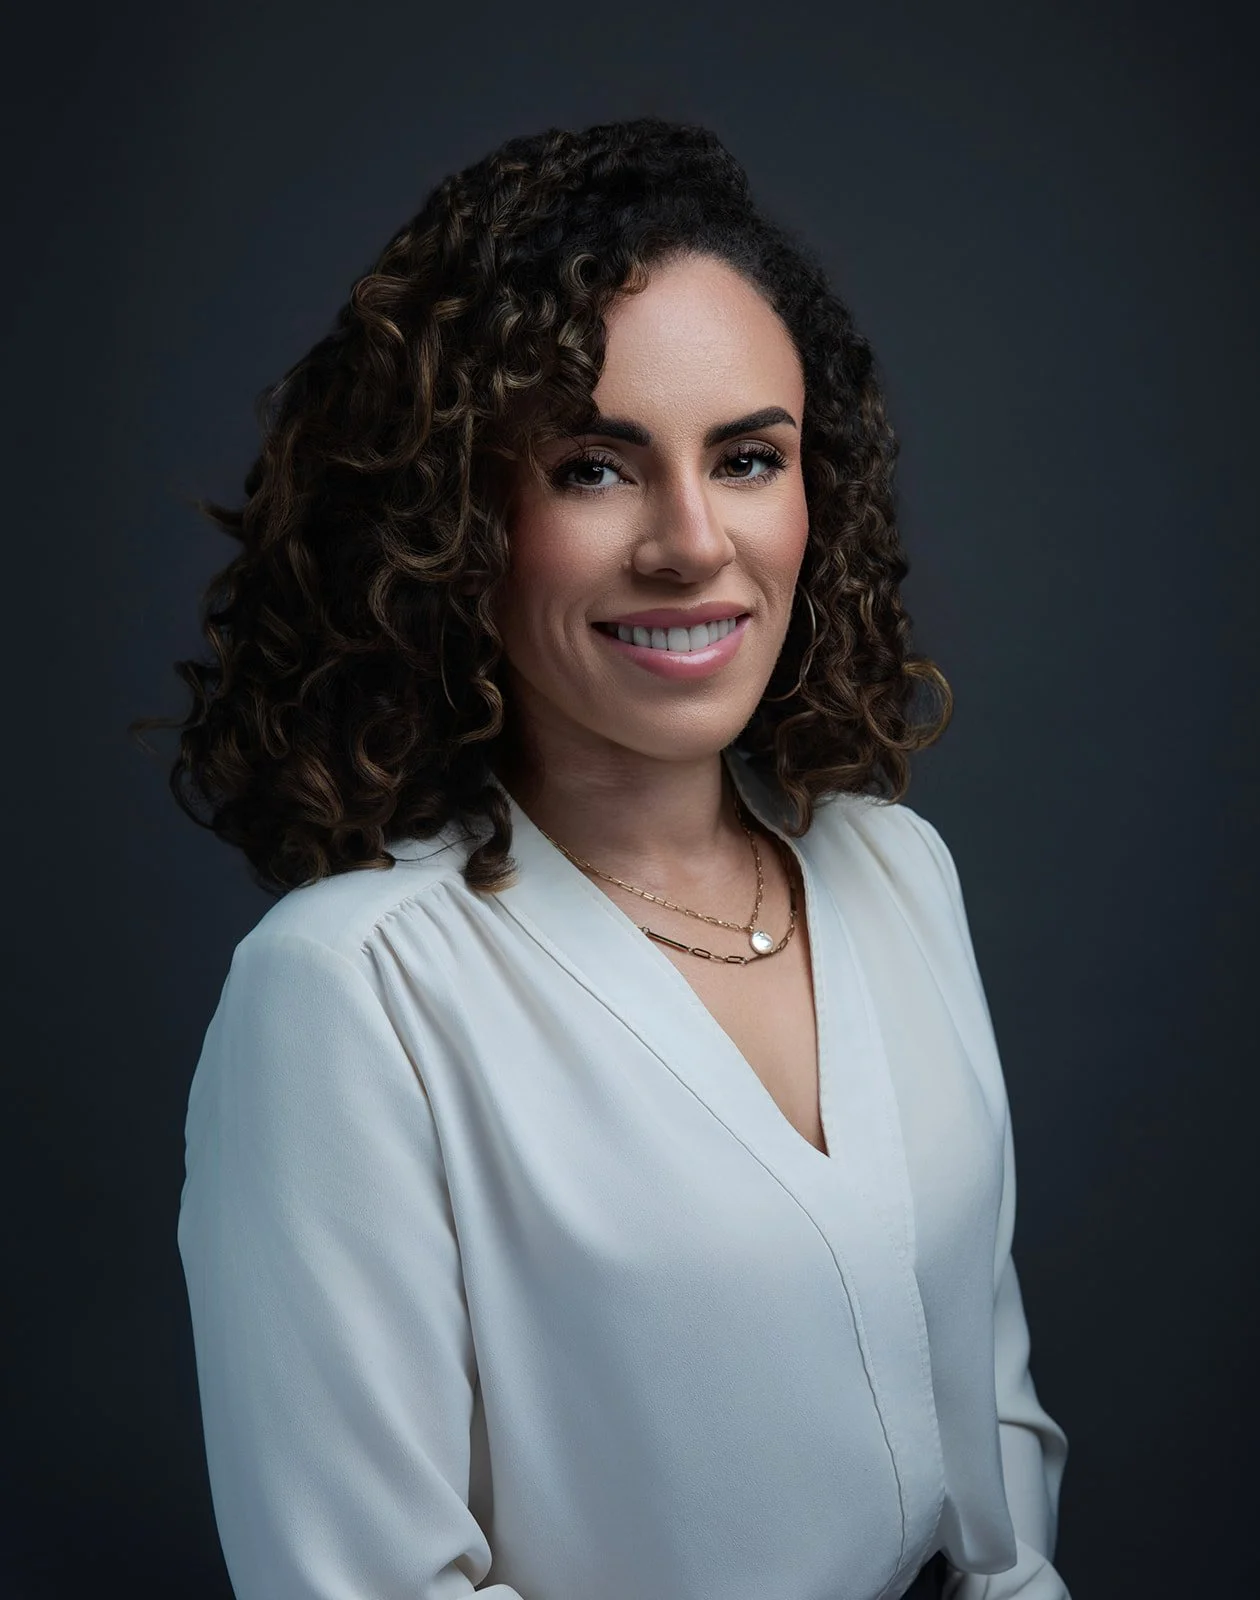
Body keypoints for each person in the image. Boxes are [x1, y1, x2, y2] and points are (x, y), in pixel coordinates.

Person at [157, 117, 1070, 1599]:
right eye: (595, 467)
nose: (692, 541)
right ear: (455, 522)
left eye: (750, 457)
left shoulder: (898, 875)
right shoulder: (351, 993)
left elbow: (995, 1427)